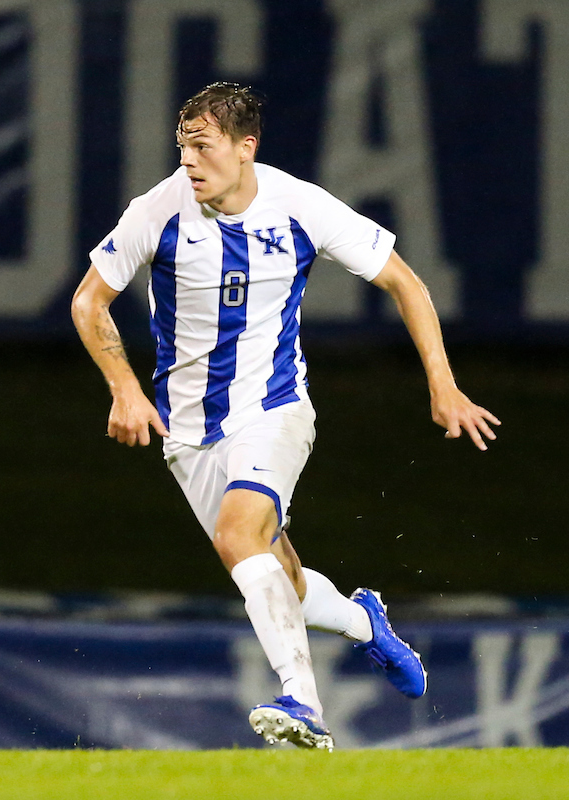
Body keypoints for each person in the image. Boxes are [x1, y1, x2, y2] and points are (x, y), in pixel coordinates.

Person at [70, 83, 499, 750]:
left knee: (239, 536)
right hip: (189, 433)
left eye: (203, 147)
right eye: (183, 147)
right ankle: (364, 623)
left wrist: (443, 387)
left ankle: (303, 702)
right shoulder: (156, 211)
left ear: (246, 147)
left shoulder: (298, 204)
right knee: (281, 580)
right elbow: (88, 301)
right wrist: (124, 389)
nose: (188, 161)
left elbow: (404, 282)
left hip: (274, 409)